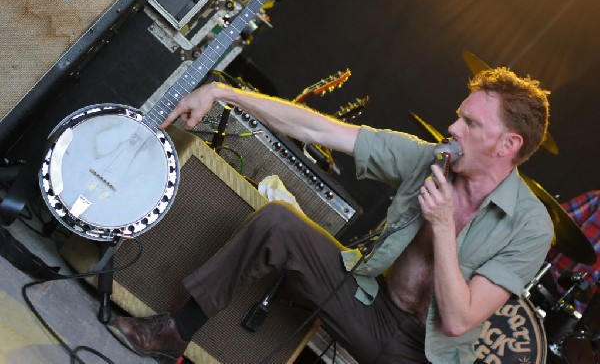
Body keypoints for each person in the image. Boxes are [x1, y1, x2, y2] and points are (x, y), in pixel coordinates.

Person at [107, 67, 554, 364]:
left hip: (422, 354)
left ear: (508, 145)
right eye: (460, 116)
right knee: (279, 223)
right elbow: (321, 129)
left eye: (471, 124)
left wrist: (440, 226)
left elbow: (459, 320)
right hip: (370, 306)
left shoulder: (531, 227)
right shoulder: (430, 159)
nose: (453, 129)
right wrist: (224, 93)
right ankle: (174, 331)